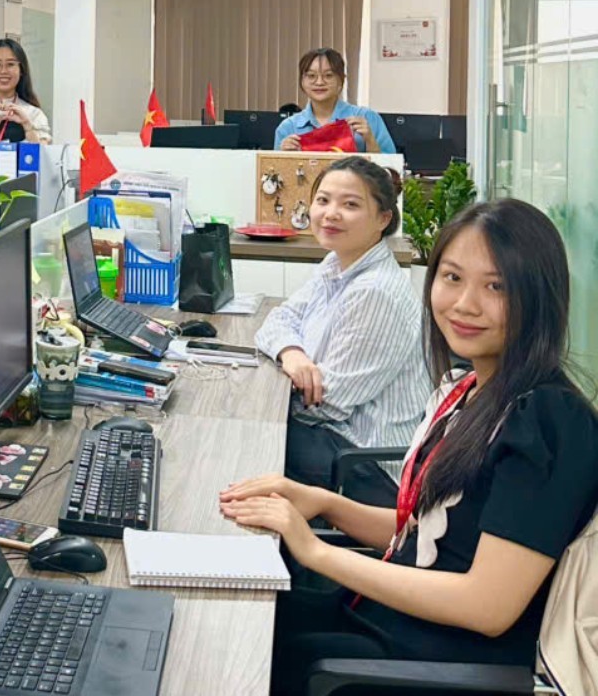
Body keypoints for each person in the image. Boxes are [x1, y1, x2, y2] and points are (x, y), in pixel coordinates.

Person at [223, 199, 598, 695]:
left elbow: (488, 605)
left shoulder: (549, 420)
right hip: (389, 624)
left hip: (438, 665)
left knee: (236, 650)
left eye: (497, 287)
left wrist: (313, 549)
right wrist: (324, 504)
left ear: (540, 297)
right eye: (452, 277)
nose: (465, 304)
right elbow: (431, 538)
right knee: (231, 611)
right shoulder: (474, 390)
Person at [255, 157, 429, 506]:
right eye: (323, 200)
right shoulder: (337, 262)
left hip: (368, 463)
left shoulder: (376, 291)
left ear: (383, 219)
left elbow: (326, 404)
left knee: (251, 437)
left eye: (350, 205)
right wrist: (292, 353)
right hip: (334, 437)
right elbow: (279, 318)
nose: (330, 213)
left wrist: (268, 394)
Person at [274, 47, 395, 153]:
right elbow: (276, 170)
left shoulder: (366, 117)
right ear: (302, 81)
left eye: (328, 75)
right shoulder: (288, 127)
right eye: (311, 76)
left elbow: (391, 168)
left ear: (341, 80)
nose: (319, 82)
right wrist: (283, 156)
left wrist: (370, 141)